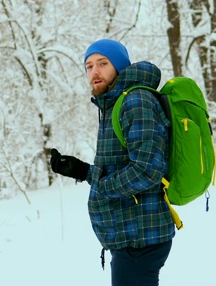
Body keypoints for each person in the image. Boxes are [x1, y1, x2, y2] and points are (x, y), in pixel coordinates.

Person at [50, 39, 175, 286]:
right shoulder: (115, 103)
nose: (94, 72)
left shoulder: (136, 102)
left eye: (103, 63)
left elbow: (147, 170)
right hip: (131, 234)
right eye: (88, 66)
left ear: (119, 66)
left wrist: (102, 188)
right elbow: (123, 167)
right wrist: (83, 170)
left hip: (140, 238)